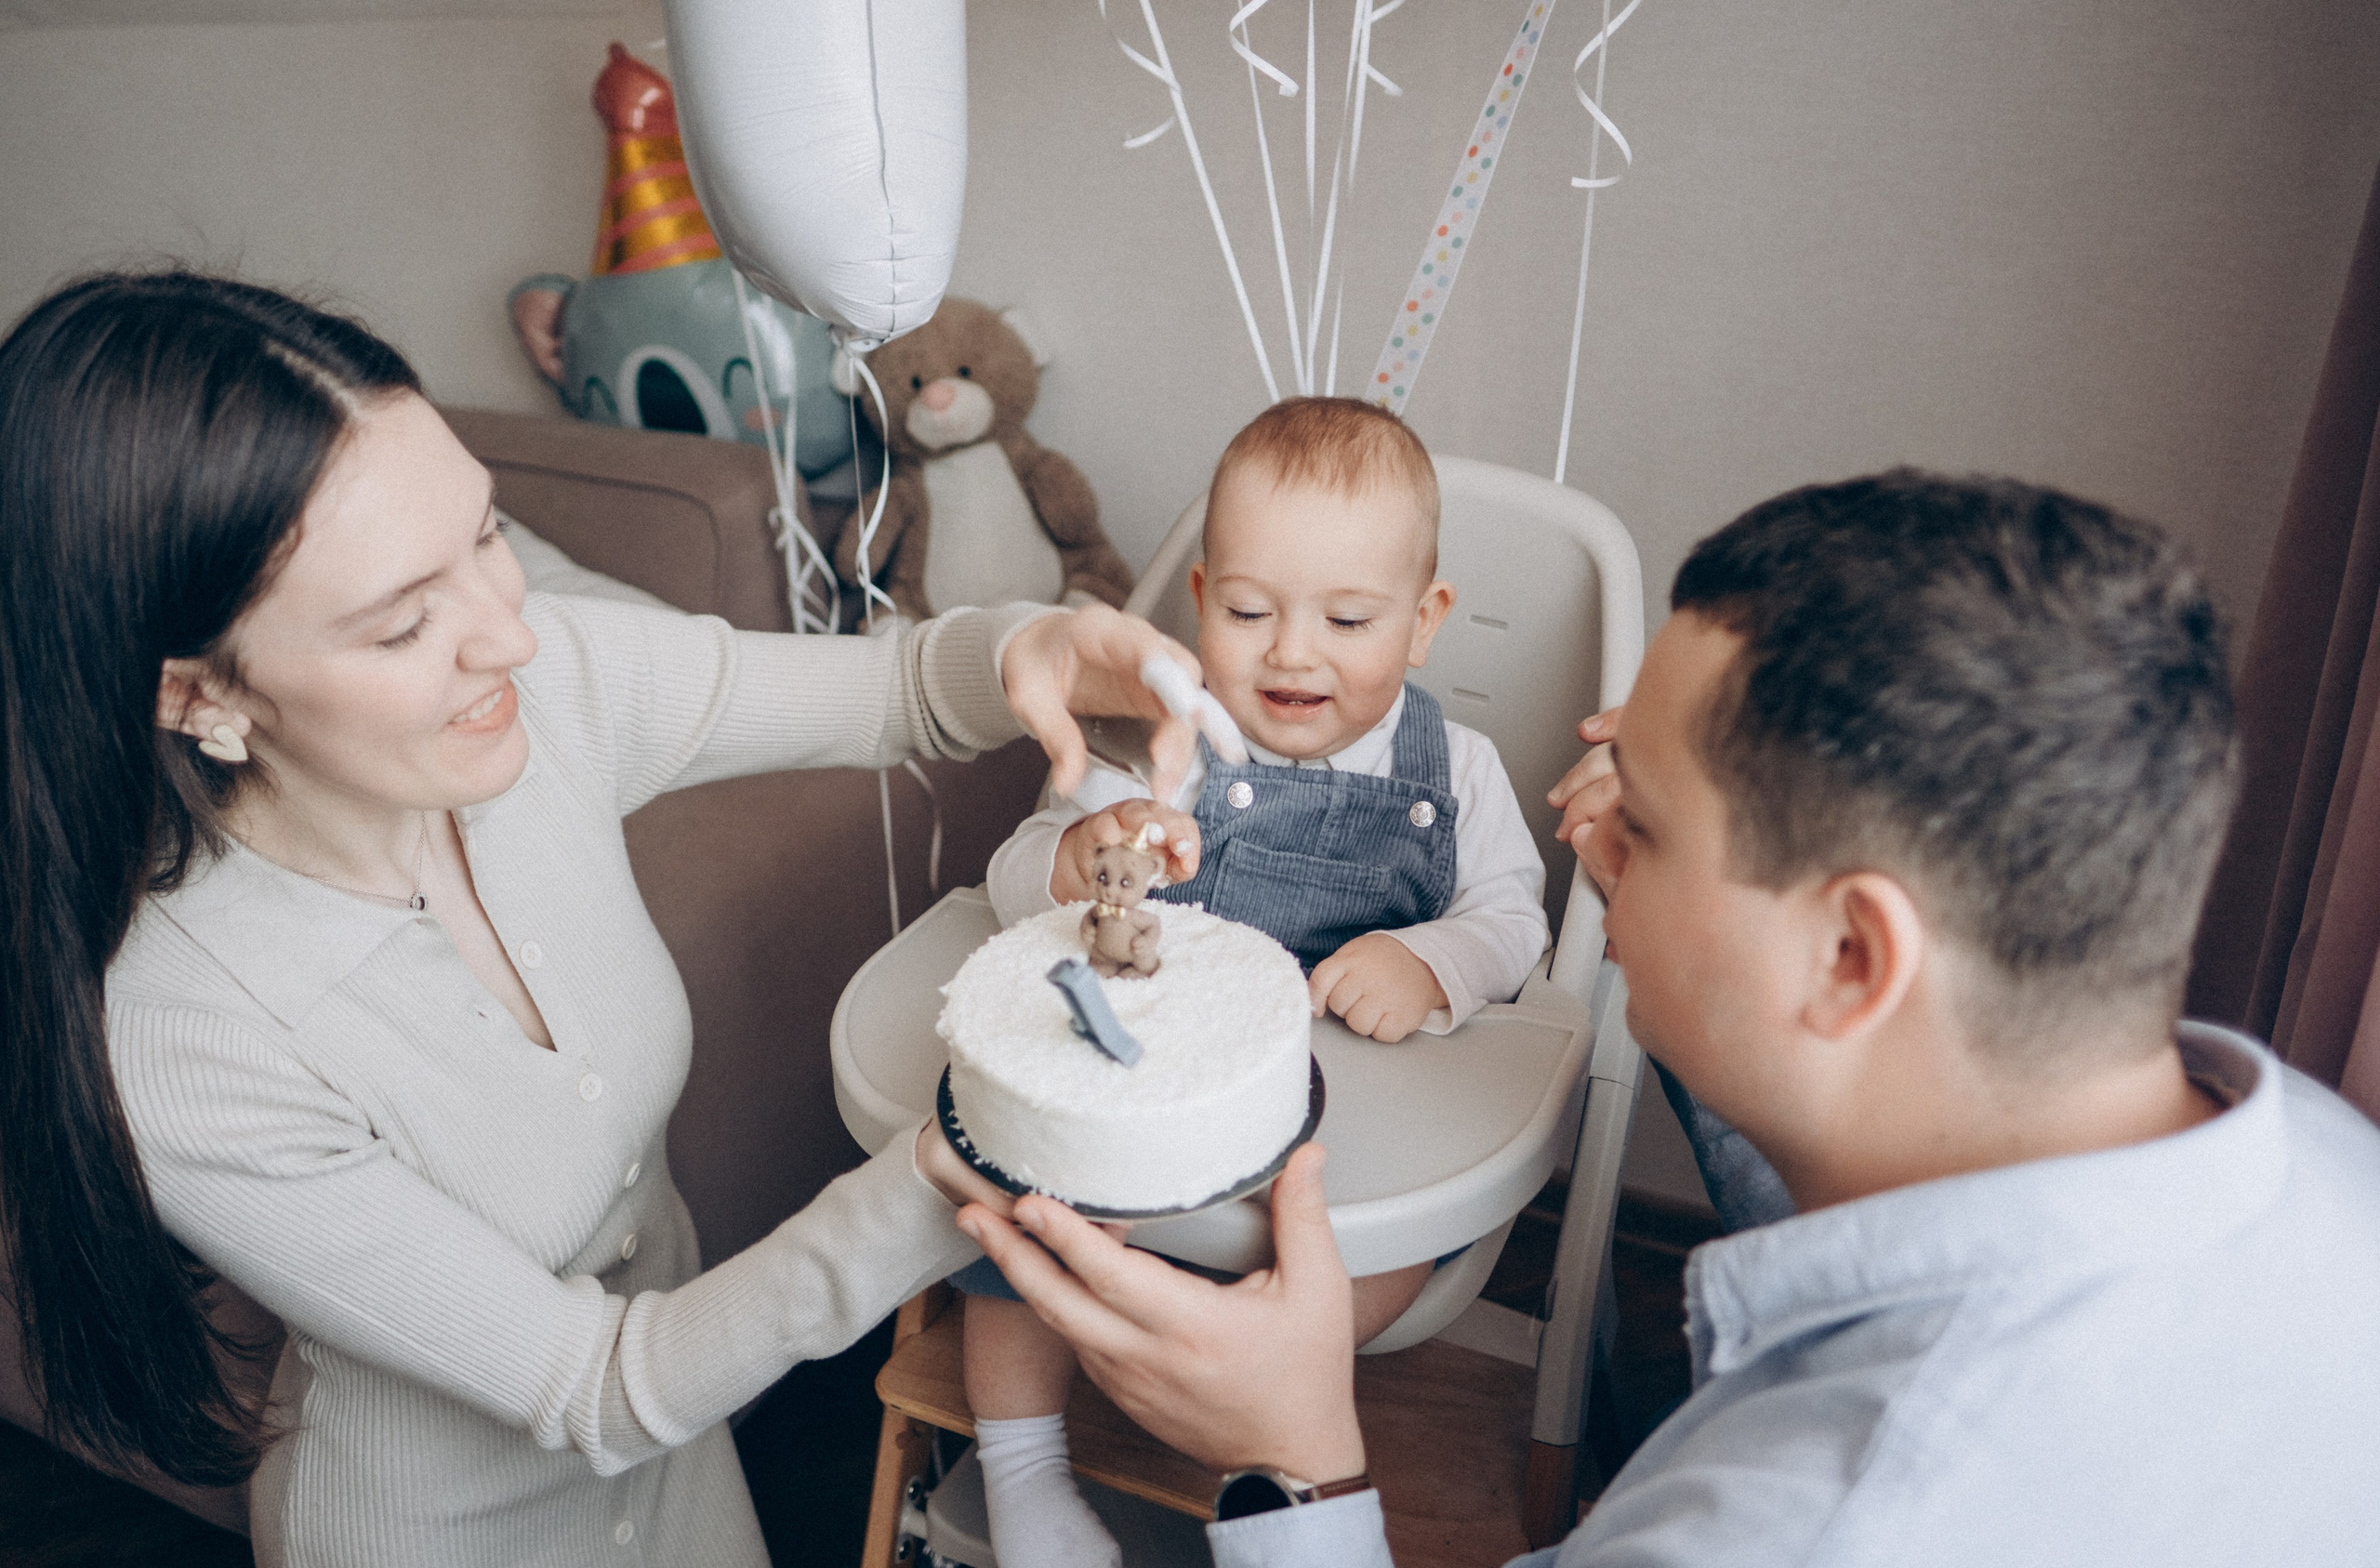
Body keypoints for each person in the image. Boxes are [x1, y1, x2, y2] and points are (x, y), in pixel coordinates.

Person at [0, 270, 1205, 1568]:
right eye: (404, 625)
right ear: (199, 695)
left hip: (686, 1473)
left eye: (485, 536)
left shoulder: (549, 683)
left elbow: (900, 687)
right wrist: (955, 1162)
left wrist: (1034, 648)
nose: (510, 637)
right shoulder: (183, 1035)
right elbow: (595, 1386)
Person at [959, 469, 2380, 1564]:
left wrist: (1299, 1464)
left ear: (1850, 954)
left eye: (1637, 820)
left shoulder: (1812, 1521)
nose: (1591, 842)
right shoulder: (2326, 1168)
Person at [962, 396, 1549, 1568]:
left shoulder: (1458, 769)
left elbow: (1515, 921)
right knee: (1010, 1213)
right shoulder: (1159, 746)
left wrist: (1431, 961)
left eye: (1348, 618)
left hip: (1346, 1138)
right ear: (1198, 603)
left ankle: (1247, 1414)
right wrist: (1076, 858)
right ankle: (1020, 1477)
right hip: (1147, 1101)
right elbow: (1010, 880)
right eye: (1247, 611)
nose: (1291, 652)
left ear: (1424, 622)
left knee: (1385, 1253)